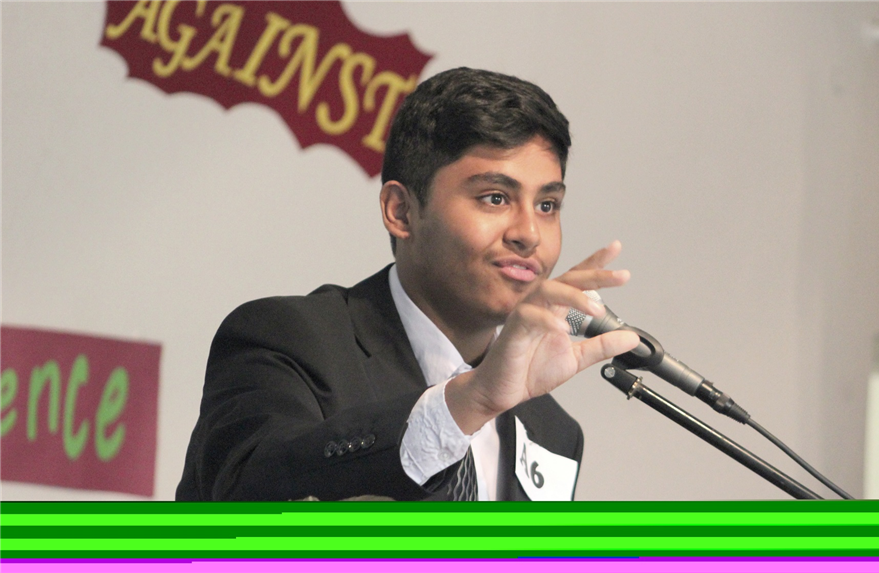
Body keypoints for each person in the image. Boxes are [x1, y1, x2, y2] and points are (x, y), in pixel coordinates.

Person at [176, 67, 639, 501]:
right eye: (495, 198)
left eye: (547, 205)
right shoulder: (288, 340)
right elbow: (246, 497)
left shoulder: (553, 431)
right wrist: (468, 403)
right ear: (400, 211)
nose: (529, 234)